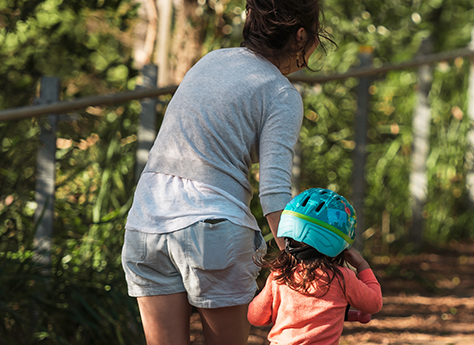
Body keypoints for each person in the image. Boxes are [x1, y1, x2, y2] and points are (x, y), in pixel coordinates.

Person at [120, 0, 333, 344]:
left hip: (146, 222)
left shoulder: (212, 61)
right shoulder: (280, 92)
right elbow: (275, 191)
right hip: (212, 229)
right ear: (301, 36)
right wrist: (299, 265)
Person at [248, 188, 382, 344]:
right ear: (339, 244)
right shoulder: (342, 278)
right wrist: (362, 265)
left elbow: (255, 318)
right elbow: (374, 304)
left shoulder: (279, 277)